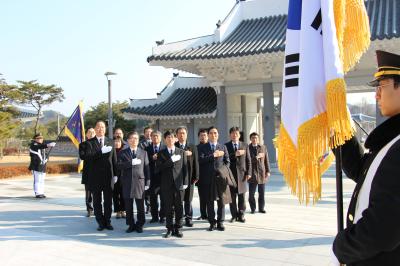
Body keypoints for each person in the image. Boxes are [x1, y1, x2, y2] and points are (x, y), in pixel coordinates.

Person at [332, 50, 400, 265]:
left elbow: (381, 230)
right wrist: (341, 129)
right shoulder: (391, 140)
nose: (376, 95)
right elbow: (363, 172)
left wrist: (342, 247)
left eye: (382, 86)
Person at [83, 120, 118, 231]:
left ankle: (107, 221)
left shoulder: (110, 141)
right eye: (98, 127)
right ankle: (100, 222)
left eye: (102, 127)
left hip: (108, 176)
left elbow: (114, 159)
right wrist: (100, 152)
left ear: (105, 129)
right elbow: (87, 157)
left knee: (108, 201)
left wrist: (116, 174)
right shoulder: (89, 142)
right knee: (97, 201)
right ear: (95, 128)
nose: (100, 129)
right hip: (95, 177)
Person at [198, 126, 230, 231]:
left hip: (220, 179)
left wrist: (223, 172)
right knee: (209, 202)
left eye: (215, 133)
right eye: (211, 133)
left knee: (221, 201)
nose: (213, 135)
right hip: (207, 179)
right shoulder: (202, 147)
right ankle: (212, 222)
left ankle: (220, 222)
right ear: (208, 135)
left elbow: (227, 161)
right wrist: (213, 155)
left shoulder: (223, 147)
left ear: (218, 135)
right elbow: (201, 160)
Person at [156, 131, 188, 238]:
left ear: (175, 139)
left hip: (179, 184)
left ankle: (178, 228)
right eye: (168, 137)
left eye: (173, 137)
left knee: (179, 207)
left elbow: (185, 168)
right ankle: (169, 228)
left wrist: (185, 182)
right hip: (166, 185)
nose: (170, 139)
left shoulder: (181, 152)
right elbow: (159, 168)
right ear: (165, 140)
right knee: (168, 207)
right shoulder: (161, 153)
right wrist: (170, 160)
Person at [117, 131, 150, 233]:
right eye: (131, 138)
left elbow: (147, 169)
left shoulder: (143, 153)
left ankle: (140, 224)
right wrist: (130, 163)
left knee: (140, 206)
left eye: (136, 138)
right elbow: (119, 166)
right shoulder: (123, 152)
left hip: (140, 183)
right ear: (128, 140)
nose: (134, 140)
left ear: (138, 140)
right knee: (129, 206)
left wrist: (147, 182)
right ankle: (131, 224)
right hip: (127, 182)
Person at [225, 127, 251, 223]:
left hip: (242, 175)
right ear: (230, 135)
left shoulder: (244, 145)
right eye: (232, 133)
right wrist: (235, 154)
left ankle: (241, 215)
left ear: (239, 135)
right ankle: (233, 215)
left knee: (242, 197)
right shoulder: (226, 146)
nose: (234, 135)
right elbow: (225, 159)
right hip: (231, 175)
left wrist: (249, 173)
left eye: (236, 133)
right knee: (232, 197)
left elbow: (248, 160)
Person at [175, 126, 199, 227]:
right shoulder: (174, 146)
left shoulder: (192, 146)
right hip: (177, 178)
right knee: (178, 200)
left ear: (187, 134)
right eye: (179, 133)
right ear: (176, 135)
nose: (182, 135)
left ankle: (189, 218)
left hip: (189, 177)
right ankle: (179, 219)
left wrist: (196, 176)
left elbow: (196, 162)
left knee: (188, 200)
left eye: (183, 133)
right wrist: (184, 154)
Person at [145, 130, 166, 223]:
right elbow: (145, 162)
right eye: (153, 136)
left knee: (164, 199)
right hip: (152, 178)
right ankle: (154, 217)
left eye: (157, 136)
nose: (155, 138)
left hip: (163, 177)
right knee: (153, 199)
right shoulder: (147, 148)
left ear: (161, 138)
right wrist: (151, 158)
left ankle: (163, 216)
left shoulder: (165, 148)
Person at [247, 132, 270, 214]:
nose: (254, 139)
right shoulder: (248, 148)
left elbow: (266, 160)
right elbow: (248, 161)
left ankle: (261, 208)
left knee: (262, 193)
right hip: (252, 174)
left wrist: (268, 171)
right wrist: (257, 157)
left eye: (256, 138)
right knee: (251, 195)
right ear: (250, 139)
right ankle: (253, 208)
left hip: (261, 173)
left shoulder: (263, 147)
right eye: (253, 138)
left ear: (258, 139)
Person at [28, 133, 56, 198]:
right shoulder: (33, 144)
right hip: (36, 166)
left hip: (42, 166)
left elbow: (45, 154)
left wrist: (46, 159)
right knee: (37, 180)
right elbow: (38, 147)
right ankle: (37, 193)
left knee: (42, 180)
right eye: (39, 138)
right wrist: (48, 145)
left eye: (41, 138)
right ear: (35, 139)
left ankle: (41, 192)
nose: (41, 139)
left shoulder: (42, 146)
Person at [78, 127, 95, 217]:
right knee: (88, 192)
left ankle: (97, 208)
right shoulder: (83, 145)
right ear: (87, 134)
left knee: (97, 192)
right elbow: (82, 156)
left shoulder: (99, 144)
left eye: (93, 132)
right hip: (88, 172)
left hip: (97, 172)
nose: (91, 133)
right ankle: (89, 209)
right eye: (89, 132)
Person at [196, 128, 209, 220]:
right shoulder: (196, 148)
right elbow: (198, 161)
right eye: (201, 135)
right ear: (198, 137)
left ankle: (210, 214)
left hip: (211, 175)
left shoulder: (211, 146)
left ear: (207, 136)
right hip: (201, 176)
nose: (203, 137)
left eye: (204, 135)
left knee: (210, 197)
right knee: (202, 197)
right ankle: (203, 214)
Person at [139, 126, 153, 213]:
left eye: (150, 132)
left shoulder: (157, 141)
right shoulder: (141, 144)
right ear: (144, 134)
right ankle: (148, 205)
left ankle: (155, 205)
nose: (149, 134)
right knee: (146, 188)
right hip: (145, 168)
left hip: (155, 168)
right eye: (147, 132)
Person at [113, 137, 126, 219]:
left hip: (123, 177)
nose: (117, 143)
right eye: (115, 142)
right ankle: (117, 211)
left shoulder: (124, 152)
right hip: (114, 177)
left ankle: (123, 210)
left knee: (123, 194)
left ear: (121, 143)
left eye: (118, 141)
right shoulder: (111, 152)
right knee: (115, 195)